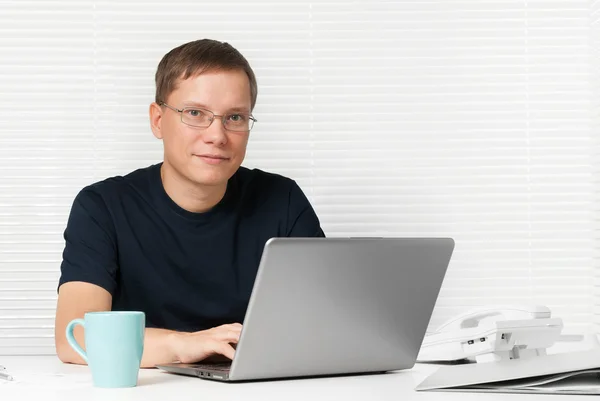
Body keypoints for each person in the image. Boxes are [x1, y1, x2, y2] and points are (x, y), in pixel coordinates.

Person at [54, 39, 325, 368]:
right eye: (195, 113)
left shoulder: (283, 200)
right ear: (157, 120)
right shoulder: (102, 206)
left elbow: (323, 326)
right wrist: (183, 345)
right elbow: (77, 338)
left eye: (235, 117)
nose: (217, 135)